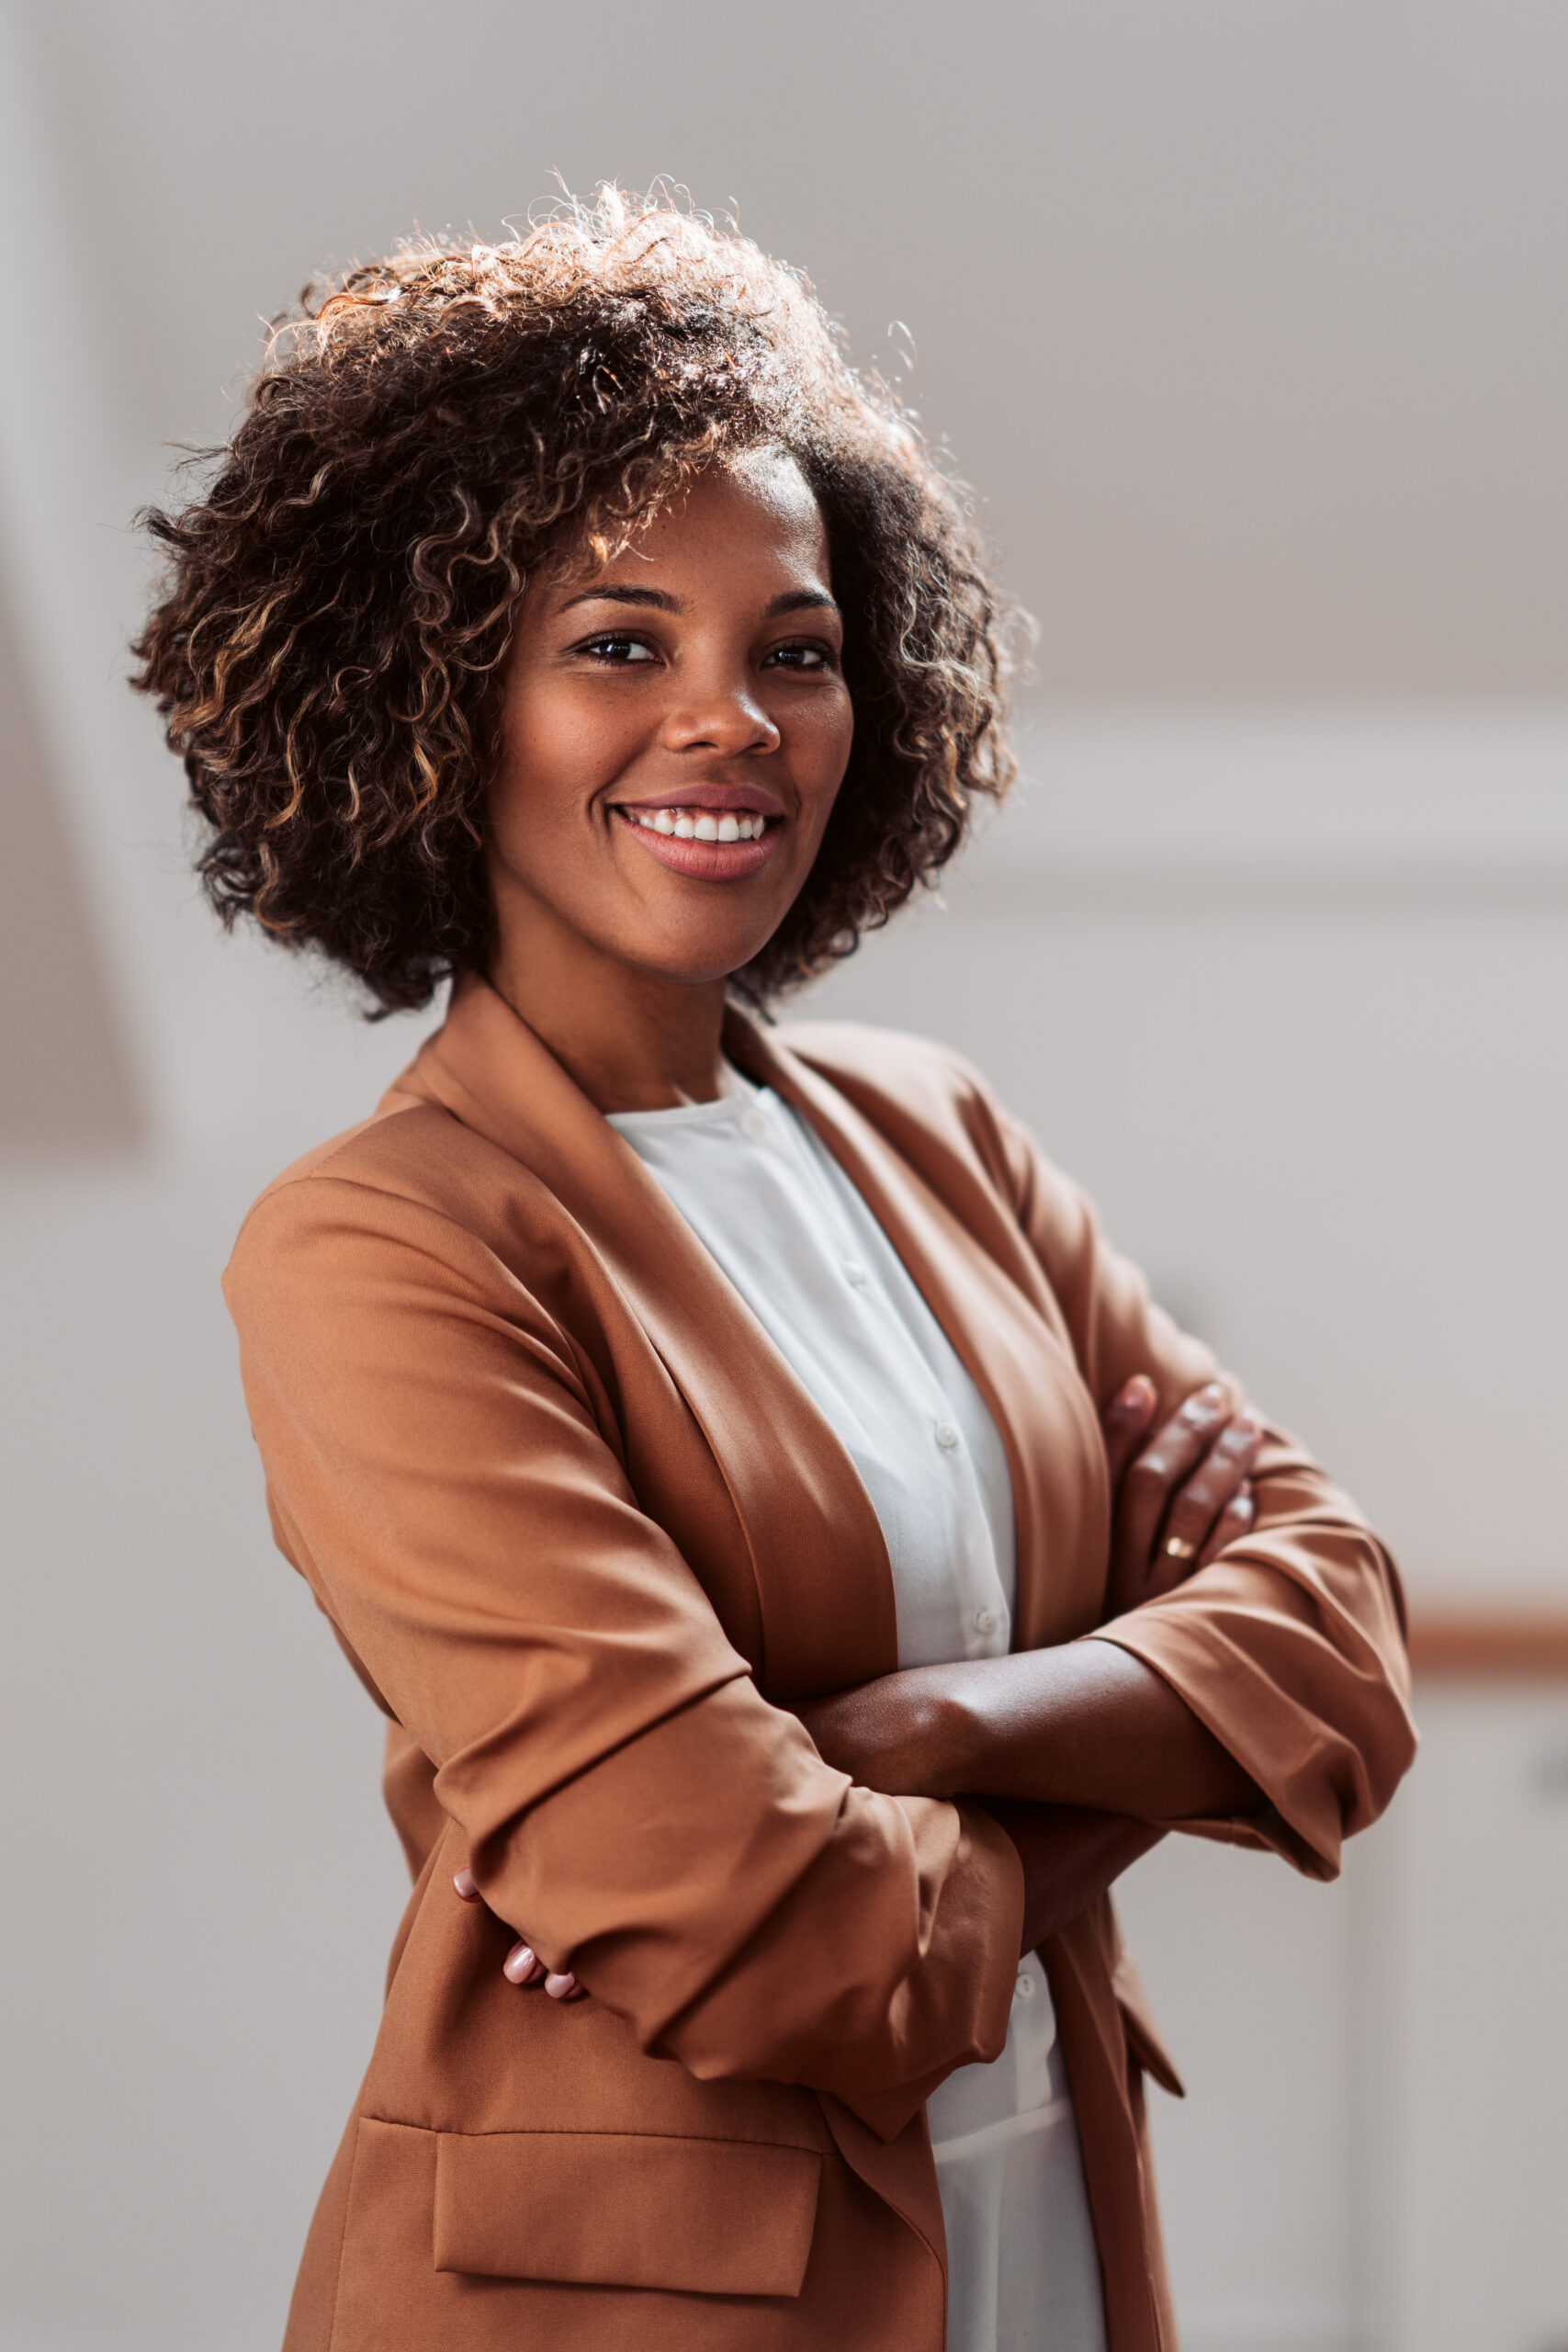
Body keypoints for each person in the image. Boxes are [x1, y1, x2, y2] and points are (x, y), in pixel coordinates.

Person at [131, 190, 1416, 2352]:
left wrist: (918, 1728)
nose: (731, 719)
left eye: (793, 649)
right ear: (438, 705)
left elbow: (1345, 1629)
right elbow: (779, 1928)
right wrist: (1155, 1743)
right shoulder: (385, 1246)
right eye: (618, 642)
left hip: (1042, 2226)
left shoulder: (940, 1131)